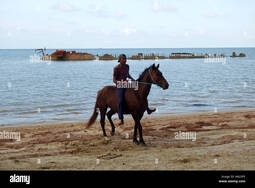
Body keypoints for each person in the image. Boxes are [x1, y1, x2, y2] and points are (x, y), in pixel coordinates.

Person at [113, 54, 156, 125]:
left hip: (127, 83)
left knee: (141, 92)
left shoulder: (127, 66)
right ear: (119, 60)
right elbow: (114, 80)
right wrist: (121, 82)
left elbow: (127, 74)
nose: (125, 60)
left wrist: (132, 79)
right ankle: (121, 118)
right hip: (120, 85)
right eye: (123, 59)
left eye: (125, 59)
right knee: (120, 100)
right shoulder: (116, 68)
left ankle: (147, 109)